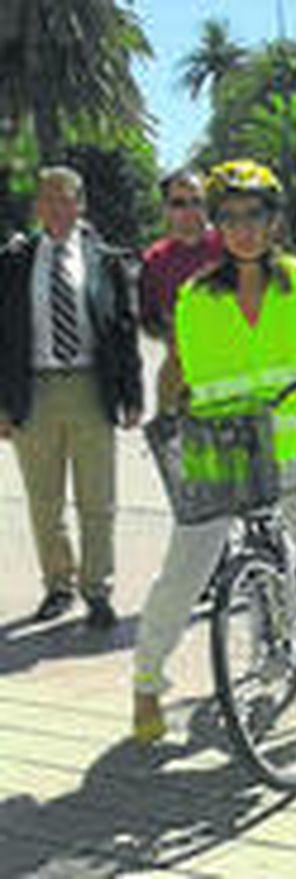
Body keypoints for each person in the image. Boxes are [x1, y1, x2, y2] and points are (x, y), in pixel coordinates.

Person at [131, 159, 296, 743]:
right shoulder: (196, 295)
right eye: (228, 217)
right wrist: (163, 427)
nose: (242, 229)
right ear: (217, 223)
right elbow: (179, 368)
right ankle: (147, 684)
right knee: (184, 571)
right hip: (219, 445)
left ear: (274, 220)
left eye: (254, 215)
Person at [0, 166, 144, 629]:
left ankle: (97, 590)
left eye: (65, 199)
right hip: (33, 390)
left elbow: (124, 331)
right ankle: (58, 585)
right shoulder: (14, 260)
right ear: (37, 206)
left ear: (80, 205)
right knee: (44, 502)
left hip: (90, 388)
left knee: (97, 500)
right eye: (47, 199)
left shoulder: (104, 260)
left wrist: (133, 394)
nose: (57, 208)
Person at [139, 168, 223, 413]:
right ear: (165, 209)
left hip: (234, 369)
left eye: (197, 201)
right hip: (179, 377)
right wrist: (171, 335)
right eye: (179, 203)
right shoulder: (154, 259)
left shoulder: (231, 247)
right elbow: (148, 319)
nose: (189, 210)